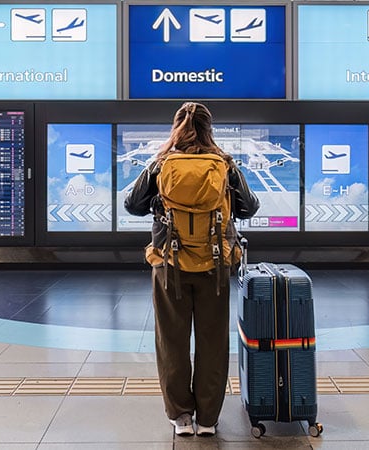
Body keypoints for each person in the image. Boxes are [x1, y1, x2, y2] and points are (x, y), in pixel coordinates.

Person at [124, 102, 259, 437]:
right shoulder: (225, 165)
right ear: (209, 129)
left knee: (171, 342)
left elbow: (133, 205)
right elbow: (249, 207)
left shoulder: (160, 164)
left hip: (169, 265)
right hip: (215, 267)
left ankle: (181, 417)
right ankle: (208, 419)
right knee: (213, 342)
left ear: (176, 128)